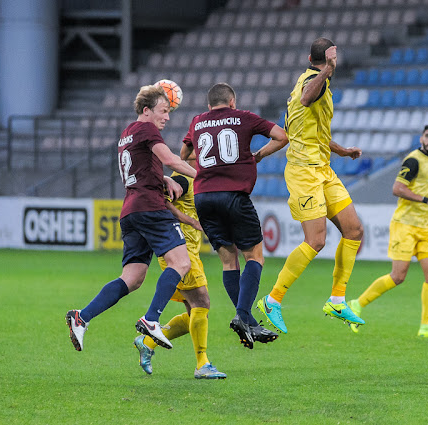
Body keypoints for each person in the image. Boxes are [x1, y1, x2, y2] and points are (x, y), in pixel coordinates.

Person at [66, 84, 197, 352]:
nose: (168, 117)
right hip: (150, 207)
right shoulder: (148, 130)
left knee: (133, 277)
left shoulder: (127, 133)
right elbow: (171, 159)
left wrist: (160, 178)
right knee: (181, 262)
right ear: (147, 111)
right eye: (164, 110)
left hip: (131, 210)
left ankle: (81, 317)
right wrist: (207, 176)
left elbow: (138, 167)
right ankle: (151, 319)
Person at [256, 37, 365, 334]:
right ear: (330, 60)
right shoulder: (311, 83)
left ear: (308, 56)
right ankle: (272, 300)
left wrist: (341, 150)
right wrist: (327, 71)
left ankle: (337, 299)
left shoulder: (310, 85)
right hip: (304, 172)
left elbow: (297, 130)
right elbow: (306, 99)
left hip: (323, 169)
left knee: (354, 230)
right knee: (316, 240)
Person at [181, 82, 288, 349]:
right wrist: (257, 155)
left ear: (209, 105)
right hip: (234, 196)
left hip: (204, 197)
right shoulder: (243, 117)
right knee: (255, 256)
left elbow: (184, 154)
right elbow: (282, 136)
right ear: (232, 101)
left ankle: (248, 321)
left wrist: (210, 161)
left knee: (229, 262)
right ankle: (242, 316)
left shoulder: (197, 121)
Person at [348, 124, 428, 338]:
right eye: (427, 136)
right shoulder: (413, 160)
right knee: (398, 276)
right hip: (404, 225)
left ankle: (426, 327)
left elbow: (427, 190)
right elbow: (397, 188)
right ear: (422, 139)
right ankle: (357, 304)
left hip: (424, 226)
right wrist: (427, 200)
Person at [134, 152, 227, 379]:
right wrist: (191, 221)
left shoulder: (196, 180)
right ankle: (202, 364)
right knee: (202, 303)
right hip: (180, 252)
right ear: (190, 158)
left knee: (194, 312)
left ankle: (146, 342)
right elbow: (162, 202)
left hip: (188, 251)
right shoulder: (184, 179)